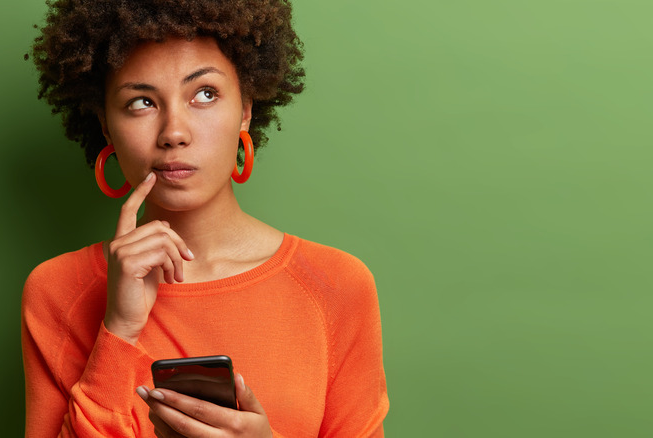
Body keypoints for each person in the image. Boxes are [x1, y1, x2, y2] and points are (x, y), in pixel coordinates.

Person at [21, 0, 389, 436]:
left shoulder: (336, 285)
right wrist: (118, 331)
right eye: (141, 102)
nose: (174, 132)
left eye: (205, 94)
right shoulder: (58, 292)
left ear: (246, 110)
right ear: (105, 125)